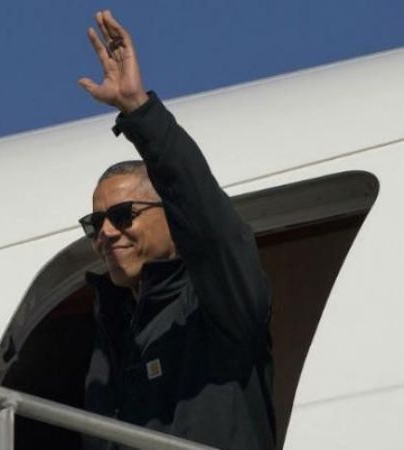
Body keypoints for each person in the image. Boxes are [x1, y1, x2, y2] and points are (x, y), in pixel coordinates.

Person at [76, 11, 276, 450]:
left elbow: (212, 232)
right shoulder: (109, 332)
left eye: (124, 214)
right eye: (96, 222)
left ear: (171, 215)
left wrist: (139, 112)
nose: (106, 233)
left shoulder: (217, 307)